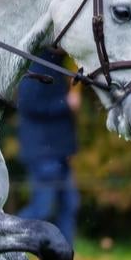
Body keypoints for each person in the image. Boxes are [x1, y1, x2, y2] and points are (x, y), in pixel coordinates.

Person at [15, 49, 81, 244]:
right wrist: (66, 104)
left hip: (60, 152)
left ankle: (64, 255)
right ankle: (7, 239)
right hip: (43, 152)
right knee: (42, 209)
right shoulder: (36, 68)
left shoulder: (57, 66)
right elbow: (27, 104)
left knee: (69, 205)